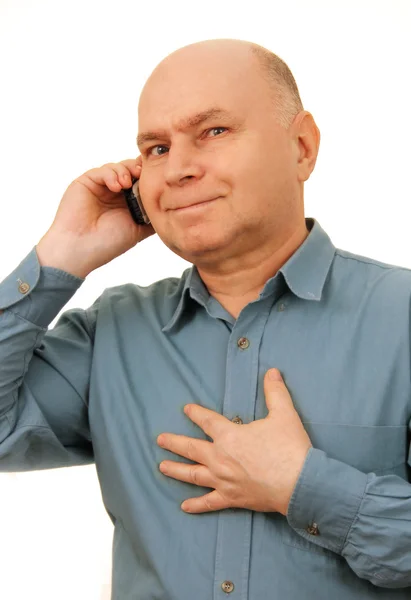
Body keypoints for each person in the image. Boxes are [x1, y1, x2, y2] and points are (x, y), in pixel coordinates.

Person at [0, 37, 410, 600]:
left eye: (213, 132)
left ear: (302, 147)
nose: (179, 169)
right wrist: (59, 257)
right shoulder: (111, 332)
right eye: (156, 148)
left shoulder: (402, 318)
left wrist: (302, 487)